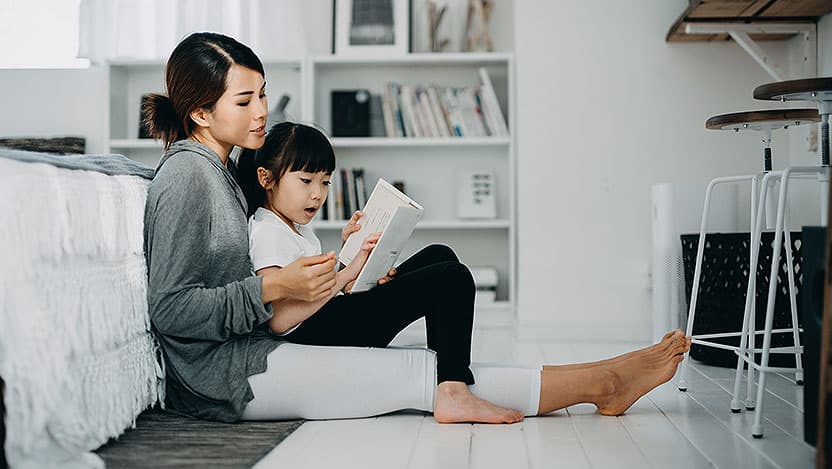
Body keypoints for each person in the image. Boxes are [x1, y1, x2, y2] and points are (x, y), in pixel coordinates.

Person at [143, 31, 691, 425]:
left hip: (256, 343)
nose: (262, 110)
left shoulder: (218, 170)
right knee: (419, 369)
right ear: (200, 114)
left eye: (262, 93)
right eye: (246, 100)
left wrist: (343, 264)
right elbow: (169, 311)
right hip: (228, 374)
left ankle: (597, 381)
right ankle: (602, 382)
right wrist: (274, 288)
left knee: (436, 300)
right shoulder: (189, 177)